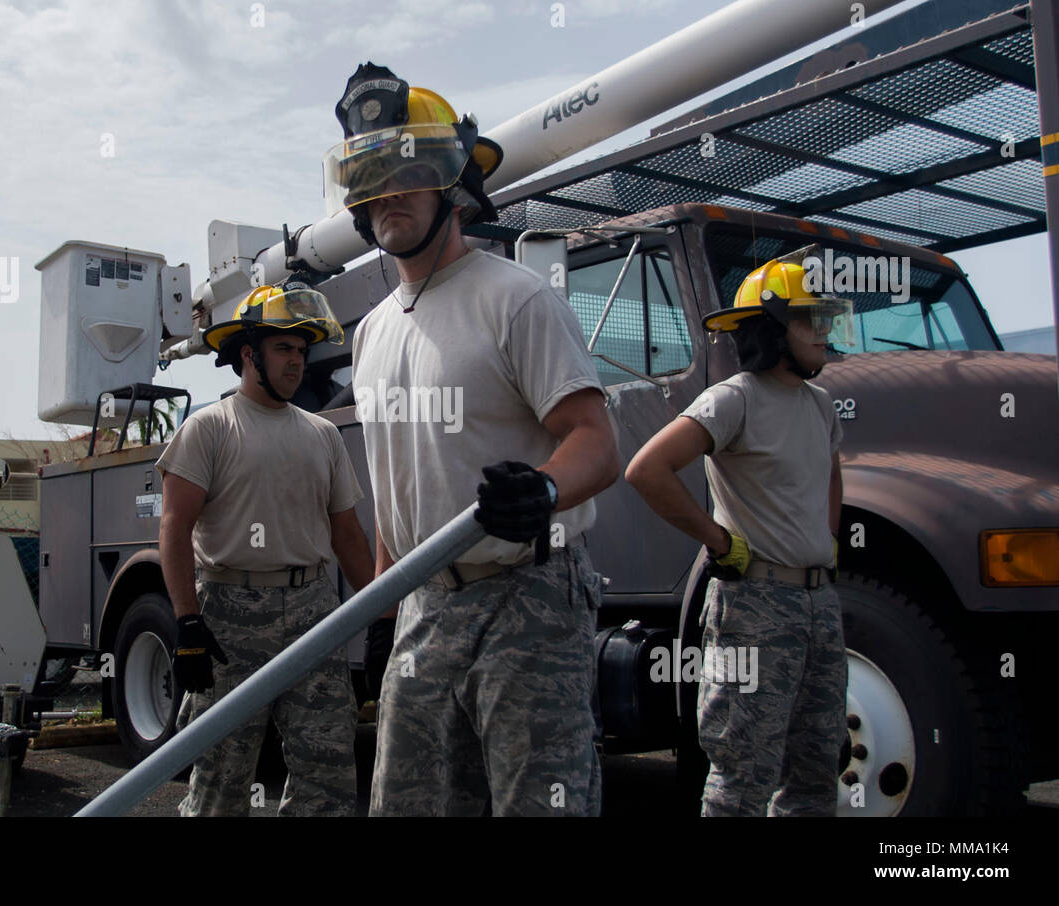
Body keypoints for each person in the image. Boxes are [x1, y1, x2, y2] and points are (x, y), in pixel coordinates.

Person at [325, 63, 621, 816]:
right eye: (369, 177)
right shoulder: (372, 333)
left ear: (451, 184)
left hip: (528, 598)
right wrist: (382, 615)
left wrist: (545, 489)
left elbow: (595, 440)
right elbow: (402, 485)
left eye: (406, 171)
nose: (387, 192)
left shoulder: (516, 298)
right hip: (424, 608)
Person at [623, 248, 851, 816]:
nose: (825, 332)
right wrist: (718, 540)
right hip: (756, 605)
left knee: (818, 768)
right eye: (811, 320)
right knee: (743, 774)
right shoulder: (733, 399)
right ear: (774, 328)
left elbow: (832, 474)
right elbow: (646, 469)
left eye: (828, 319)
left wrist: (825, 545)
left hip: (819, 604)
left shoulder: (821, 405)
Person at [155, 281, 375, 816]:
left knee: (327, 767)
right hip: (230, 615)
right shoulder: (209, 428)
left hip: (313, 612)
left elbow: (346, 533)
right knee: (223, 774)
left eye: (301, 350)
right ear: (249, 354)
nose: (297, 361)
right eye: (284, 349)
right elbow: (174, 527)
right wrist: (187, 625)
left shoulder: (322, 435)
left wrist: (382, 612)